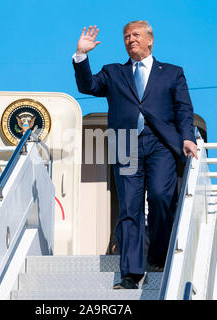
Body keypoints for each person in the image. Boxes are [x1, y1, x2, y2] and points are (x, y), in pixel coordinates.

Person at [72, 21, 198, 289]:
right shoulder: (113, 72)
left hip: (161, 143)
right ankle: (130, 273)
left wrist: (187, 136)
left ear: (150, 40)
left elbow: (184, 108)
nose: (130, 40)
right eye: (126, 36)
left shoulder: (172, 73)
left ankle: (158, 256)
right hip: (125, 142)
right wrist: (82, 56)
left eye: (136, 35)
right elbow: (88, 86)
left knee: (162, 197)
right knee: (130, 206)